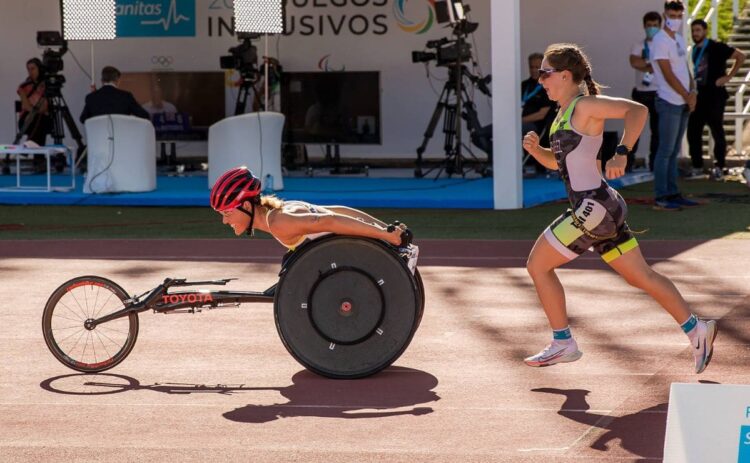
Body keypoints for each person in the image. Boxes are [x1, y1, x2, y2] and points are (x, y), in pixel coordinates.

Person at [521, 43, 717, 374]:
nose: (540, 80)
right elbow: (561, 164)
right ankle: (697, 329)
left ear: (565, 75)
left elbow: (638, 111)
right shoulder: (565, 113)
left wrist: (623, 152)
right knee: (642, 276)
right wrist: (537, 150)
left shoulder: (585, 105)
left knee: (538, 266)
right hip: (601, 206)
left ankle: (563, 341)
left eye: (545, 73)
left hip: (593, 207)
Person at [210, 167, 406, 253]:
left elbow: (329, 220)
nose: (225, 221)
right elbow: (340, 211)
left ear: (245, 206)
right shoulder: (281, 210)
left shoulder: (279, 222)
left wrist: (385, 234)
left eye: (227, 213)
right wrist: (386, 229)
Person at [650, 0, 700, 211]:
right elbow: (667, 73)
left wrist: (693, 92)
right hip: (669, 101)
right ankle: (662, 195)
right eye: (672, 15)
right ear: (665, 14)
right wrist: (686, 94)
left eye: (679, 16)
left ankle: (672, 192)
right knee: (666, 150)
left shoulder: (679, 39)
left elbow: (685, 69)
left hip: (682, 101)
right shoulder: (660, 40)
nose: (676, 19)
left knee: (673, 152)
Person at [687, 19, 746, 180]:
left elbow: (740, 56)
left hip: (715, 96)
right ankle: (697, 166)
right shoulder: (694, 50)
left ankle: (720, 166)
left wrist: (728, 77)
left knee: (717, 130)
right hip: (700, 95)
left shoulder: (716, 46)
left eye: (698, 30)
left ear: (705, 31)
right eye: (693, 31)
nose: (695, 34)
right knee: (693, 130)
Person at [629, 11, 662, 171]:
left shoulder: (664, 45)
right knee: (634, 130)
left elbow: (667, 66)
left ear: (660, 26)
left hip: (659, 93)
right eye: (649, 26)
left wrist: (647, 64)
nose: (652, 28)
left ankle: (655, 164)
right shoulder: (639, 45)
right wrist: (652, 65)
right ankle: (628, 162)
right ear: (644, 26)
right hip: (641, 93)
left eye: (655, 26)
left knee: (657, 132)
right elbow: (634, 62)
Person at [522, 52, 556, 175]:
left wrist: (518, 121)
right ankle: (495, 163)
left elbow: (541, 114)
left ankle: (530, 164)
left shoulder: (547, 86)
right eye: (531, 67)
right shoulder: (523, 85)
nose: (534, 70)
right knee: (480, 134)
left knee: (521, 130)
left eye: (537, 67)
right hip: (518, 122)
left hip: (537, 125)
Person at [79, 66, 150, 123]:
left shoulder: (91, 97)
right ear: (117, 80)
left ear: (102, 80)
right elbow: (145, 115)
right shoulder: (126, 96)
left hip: (99, 139)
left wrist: (95, 94)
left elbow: (83, 119)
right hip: (122, 137)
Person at [16, 58, 51, 147]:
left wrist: (38, 111)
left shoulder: (47, 85)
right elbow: (26, 106)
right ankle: (38, 156)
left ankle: (30, 145)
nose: (30, 72)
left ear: (40, 69)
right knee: (38, 118)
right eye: (28, 69)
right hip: (26, 119)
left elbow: (45, 107)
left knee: (40, 119)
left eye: (33, 68)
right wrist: (36, 111)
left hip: (41, 118)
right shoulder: (23, 87)